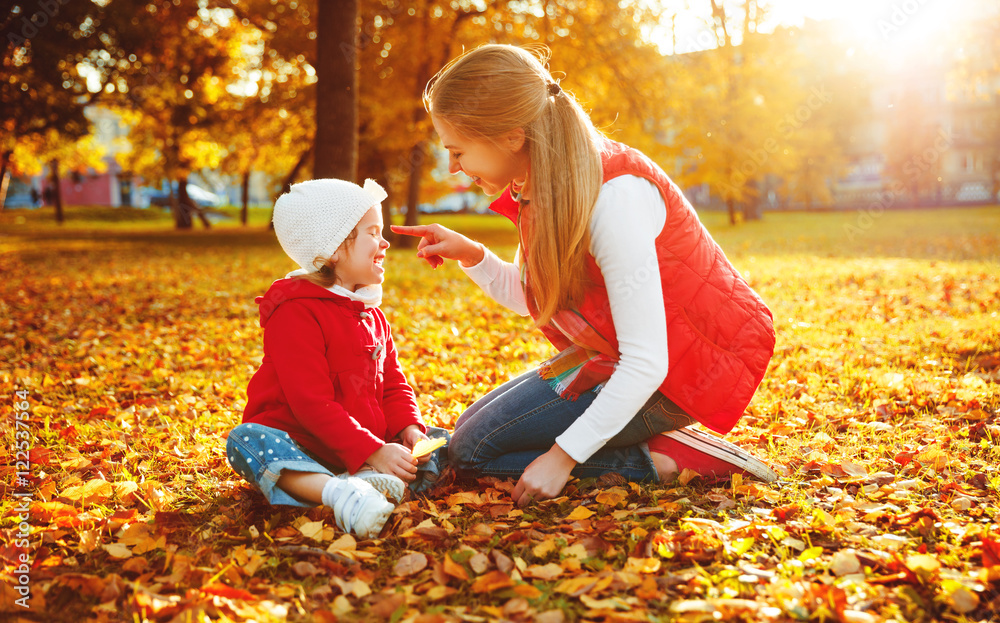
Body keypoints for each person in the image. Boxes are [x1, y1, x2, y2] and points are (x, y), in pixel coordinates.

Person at [392, 44, 778, 507]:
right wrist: (473, 255)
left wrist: (563, 457)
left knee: (472, 450)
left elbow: (647, 360)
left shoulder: (613, 199)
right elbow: (545, 300)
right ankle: (627, 443)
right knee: (469, 428)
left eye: (458, 151)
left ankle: (663, 459)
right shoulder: (543, 185)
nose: (453, 166)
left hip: (683, 372)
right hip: (612, 355)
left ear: (512, 137)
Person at [226, 178, 434, 539]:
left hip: (363, 447)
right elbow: (311, 403)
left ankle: (372, 480)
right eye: (372, 232)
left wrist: (409, 430)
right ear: (334, 250)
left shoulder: (370, 314)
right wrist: (373, 450)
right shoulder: (296, 313)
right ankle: (338, 493)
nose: (384, 243)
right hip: (301, 445)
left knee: (445, 442)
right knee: (246, 441)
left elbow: (394, 384)